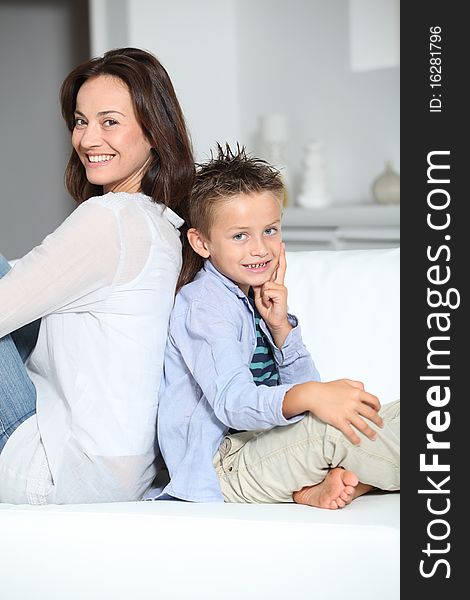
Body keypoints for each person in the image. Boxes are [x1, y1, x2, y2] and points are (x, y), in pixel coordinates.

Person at [154, 144, 400, 509]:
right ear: (201, 242)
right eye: (240, 236)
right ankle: (345, 477)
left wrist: (282, 328)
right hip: (222, 466)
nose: (260, 249)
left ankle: (312, 487)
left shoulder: (256, 296)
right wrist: (312, 395)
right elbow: (233, 403)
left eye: (270, 230)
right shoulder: (205, 306)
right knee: (335, 428)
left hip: (267, 445)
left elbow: (301, 387)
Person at [0, 47, 195, 504]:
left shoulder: (108, 219)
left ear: (154, 130)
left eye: (109, 121)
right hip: (123, 475)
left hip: (61, 475)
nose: (88, 139)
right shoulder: (167, 224)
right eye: (81, 121)